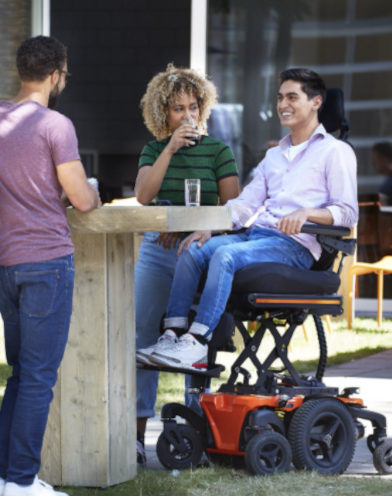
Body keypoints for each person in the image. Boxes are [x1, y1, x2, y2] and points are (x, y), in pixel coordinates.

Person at [139, 68, 358, 371]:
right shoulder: (275, 156)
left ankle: (197, 341)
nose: (283, 104)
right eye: (280, 97)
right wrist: (208, 228)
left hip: (295, 246)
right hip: (257, 236)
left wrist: (306, 213)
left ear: (316, 102)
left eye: (292, 97)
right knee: (192, 248)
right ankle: (172, 334)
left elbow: (348, 212)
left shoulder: (336, 152)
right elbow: (244, 205)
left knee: (226, 255)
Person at [0, 35, 100, 496]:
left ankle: (2, 480)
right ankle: (22, 483)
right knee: (39, 378)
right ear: (56, 74)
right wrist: (89, 190)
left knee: (21, 375)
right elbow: (82, 200)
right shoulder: (55, 124)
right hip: (46, 260)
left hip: (4, 262)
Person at [133, 64, 240, 464]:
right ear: (164, 114)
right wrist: (170, 147)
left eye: (193, 107)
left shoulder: (218, 151)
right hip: (159, 251)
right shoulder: (153, 149)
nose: (188, 116)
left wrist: (201, 231)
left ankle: (195, 434)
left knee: (196, 338)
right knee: (144, 338)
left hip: (202, 252)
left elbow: (232, 211)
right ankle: (137, 438)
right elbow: (144, 196)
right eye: (178, 109)